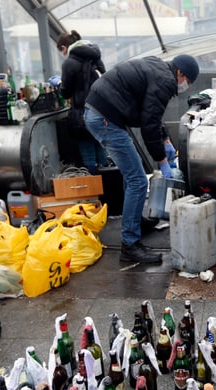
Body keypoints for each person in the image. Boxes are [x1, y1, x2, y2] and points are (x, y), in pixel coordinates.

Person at [84, 54, 199, 263]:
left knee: (132, 176)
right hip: (105, 118)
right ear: (180, 73)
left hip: (101, 111)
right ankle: (130, 244)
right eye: (188, 81)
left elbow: (151, 113)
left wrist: (165, 139)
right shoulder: (166, 80)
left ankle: (135, 221)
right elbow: (148, 124)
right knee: (137, 180)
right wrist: (162, 161)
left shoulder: (158, 68)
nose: (185, 86)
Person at [50, 30, 109, 174]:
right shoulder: (95, 57)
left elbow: (66, 92)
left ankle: (94, 191)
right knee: (101, 149)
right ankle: (108, 186)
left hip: (81, 113)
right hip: (100, 110)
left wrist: (58, 83)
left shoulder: (69, 63)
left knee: (87, 152)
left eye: (61, 51)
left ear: (64, 48)